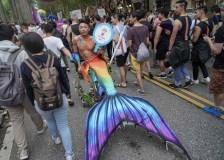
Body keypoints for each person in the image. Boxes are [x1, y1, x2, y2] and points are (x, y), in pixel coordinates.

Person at [71, 20, 190, 160]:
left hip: (98, 64)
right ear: (78, 29)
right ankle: (106, 109)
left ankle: (114, 113)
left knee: (110, 89)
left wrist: (101, 52)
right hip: (87, 67)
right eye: (81, 27)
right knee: (96, 87)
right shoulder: (75, 39)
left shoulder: (94, 39)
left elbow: (103, 49)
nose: (83, 28)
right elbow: (75, 53)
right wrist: (78, 64)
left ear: (89, 28)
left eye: (85, 26)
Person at [0, 24, 47, 160]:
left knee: (17, 121)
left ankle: (23, 151)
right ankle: (40, 127)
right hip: (23, 90)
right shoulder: (21, 52)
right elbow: (30, 72)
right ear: (13, 36)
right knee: (32, 110)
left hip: (4, 94)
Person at [21, 32, 75, 160]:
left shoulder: (25, 65)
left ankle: (56, 138)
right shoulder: (53, 59)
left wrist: (33, 101)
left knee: (50, 120)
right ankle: (69, 154)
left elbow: (28, 88)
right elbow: (63, 79)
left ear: (26, 48)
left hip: (41, 102)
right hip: (59, 97)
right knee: (63, 125)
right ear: (42, 43)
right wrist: (67, 93)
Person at [43, 23, 74, 106]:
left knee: (53, 81)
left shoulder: (41, 41)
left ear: (44, 31)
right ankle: (68, 97)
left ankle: (56, 98)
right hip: (60, 63)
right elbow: (63, 49)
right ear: (53, 30)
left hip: (48, 65)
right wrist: (71, 57)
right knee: (64, 80)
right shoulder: (56, 39)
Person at [167, 0, 193, 89]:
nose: (175, 9)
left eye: (176, 7)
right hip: (186, 44)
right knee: (181, 63)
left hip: (178, 46)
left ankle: (177, 83)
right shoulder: (189, 19)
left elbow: (173, 37)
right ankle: (188, 78)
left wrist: (169, 49)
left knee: (176, 64)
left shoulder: (177, 21)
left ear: (182, 7)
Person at [127, 11, 150, 94]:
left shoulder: (130, 30)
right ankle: (138, 82)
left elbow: (129, 44)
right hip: (143, 53)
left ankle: (142, 89)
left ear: (135, 18)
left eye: (130, 17)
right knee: (140, 69)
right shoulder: (145, 27)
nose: (129, 19)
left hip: (134, 53)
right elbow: (147, 42)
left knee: (138, 71)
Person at [204, 23, 224, 116]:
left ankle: (216, 109)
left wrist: (209, 41)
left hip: (221, 65)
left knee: (219, 88)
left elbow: (216, 51)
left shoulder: (222, 30)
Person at [191, 6, 213, 84]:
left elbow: (194, 40)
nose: (195, 14)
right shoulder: (210, 21)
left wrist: (191, 36)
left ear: (201, 12)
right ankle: (206, 77)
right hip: (206, 45)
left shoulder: (198, 25)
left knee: (195, 62)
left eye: (196, 12)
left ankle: (195, 79)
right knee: (201, 62)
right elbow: (211, 34)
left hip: (198, 47)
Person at [154, 8, 173, 78]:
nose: (157, 15)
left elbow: (157, 37)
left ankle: (163, 74)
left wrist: (155, 47)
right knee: (165, 57)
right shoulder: (169, 22)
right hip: (168, 43)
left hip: (161, 44)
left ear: (162, 15)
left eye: (158, 14)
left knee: (161, 59)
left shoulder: (161, 24)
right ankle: (171, 68)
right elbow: (169, 33)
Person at [111, 13, 129, 88]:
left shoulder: (115, 28)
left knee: (121, 66)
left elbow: (116, 40)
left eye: (112, 19)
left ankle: (123, 82)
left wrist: (111, 38)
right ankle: (125, 78)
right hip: (126, 47)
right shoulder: (124, 26)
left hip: (120, 49)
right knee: (124, 63)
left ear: (116, 18)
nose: (111, 20)